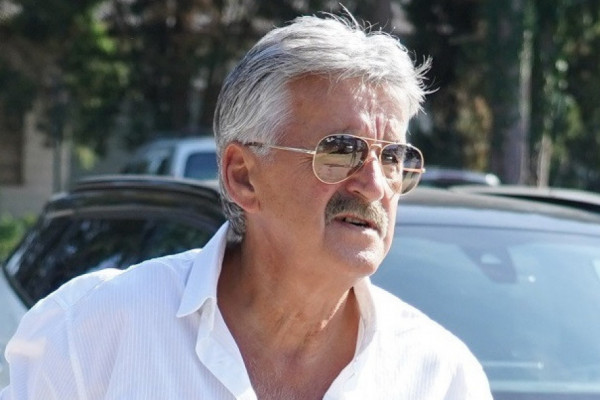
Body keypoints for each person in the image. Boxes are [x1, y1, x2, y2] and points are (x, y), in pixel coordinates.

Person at [1, 11, 493, 400]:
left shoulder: (439, 377)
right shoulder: (93, 331)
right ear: (242, 176)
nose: (373, 184)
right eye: (341, 151)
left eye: (393, 158)